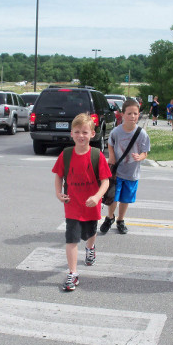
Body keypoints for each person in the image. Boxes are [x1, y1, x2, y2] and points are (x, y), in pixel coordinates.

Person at [52, 113, 112, 291]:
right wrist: (58, 193)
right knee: (71, 239)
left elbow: (106, 181)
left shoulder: (97, 155)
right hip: (72, 205)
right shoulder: (66, 154)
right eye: (77, 132)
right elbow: (59, 175)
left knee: (89, 234)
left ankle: (91, 248)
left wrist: (97, 197)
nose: (80, 136)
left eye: (85, 132)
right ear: (71, 133)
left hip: (90, 206)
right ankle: (73, 274)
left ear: (93, 134)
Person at [100, 99, 150, 235]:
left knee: (125, 199)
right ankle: (109, 218)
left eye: (135, 113)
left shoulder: (142, 134)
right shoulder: (116, 131)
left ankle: (120, 220)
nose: (132, 116)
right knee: (112, 198)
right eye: (129, 113)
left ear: (138, 115)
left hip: (132, 173)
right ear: (122, 114)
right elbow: (110, 143)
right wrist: (111, 155)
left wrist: (141, 157)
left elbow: (145, 151)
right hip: (117, 172)